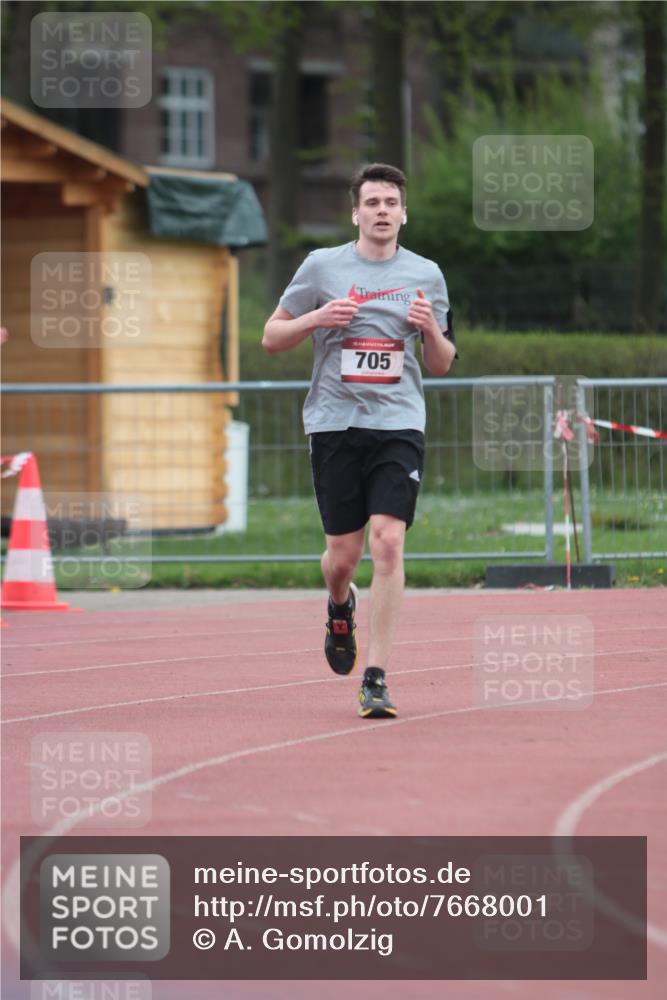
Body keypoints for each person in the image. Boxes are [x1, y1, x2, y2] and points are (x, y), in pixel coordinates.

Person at [263, 162, 456, 719]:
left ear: (403, 213)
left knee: (389, 542)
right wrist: (317, 318)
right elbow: (272, 337)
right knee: (343, 557)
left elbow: (441, 364)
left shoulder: (426, 275)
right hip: (335, 424)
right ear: (356, 213)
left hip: (398, 423)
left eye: (390, 203)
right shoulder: (322, 267)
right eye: (372, 203)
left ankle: (376, 677)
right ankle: (339, 605)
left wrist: (429, 330)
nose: (381, 212)